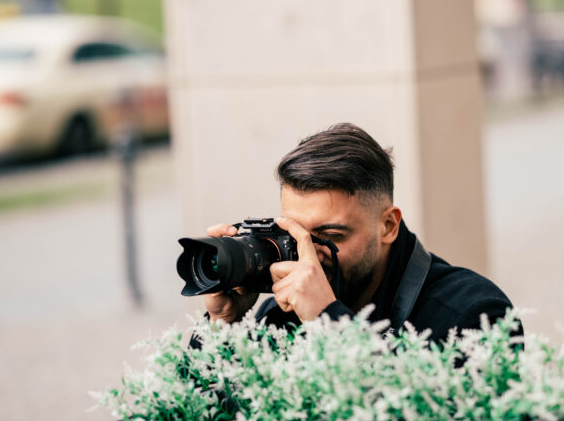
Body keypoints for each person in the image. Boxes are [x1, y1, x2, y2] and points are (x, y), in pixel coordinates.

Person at [201, 123, 515, 342]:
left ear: (388, 226)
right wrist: (224, 326)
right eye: (295, 235)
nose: (308, 256)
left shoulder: (475, 312)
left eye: (332, 235)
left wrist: (327, 320)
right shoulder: (280, 313)